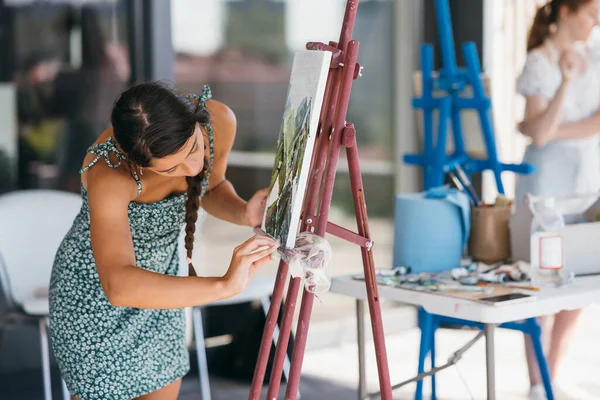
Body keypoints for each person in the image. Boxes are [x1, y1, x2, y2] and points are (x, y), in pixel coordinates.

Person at [49, 82, 279, 400]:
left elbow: (209, 186)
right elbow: (119, 285)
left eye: (195, 148)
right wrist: (224, 285)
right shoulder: (110, 171)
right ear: (138, 163)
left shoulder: (218, 121)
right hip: (95, 302)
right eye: (172, 168)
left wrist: (244, 212)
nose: (194, 167)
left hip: (161, 293)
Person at [516, 0, 600, 398]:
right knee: (541, 278)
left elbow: (549, 130)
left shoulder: (597, 57)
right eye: (590, 14)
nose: (595, 23)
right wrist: (565, 84)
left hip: (585, 176)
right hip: (545, 179)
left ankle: (553, 373)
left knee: (580, 278)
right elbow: (542, 134)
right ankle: (537, 383)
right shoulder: (539, 61)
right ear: (566, 11)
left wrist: (540, 127)